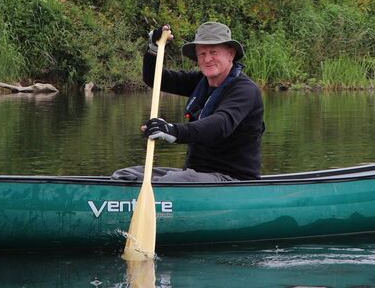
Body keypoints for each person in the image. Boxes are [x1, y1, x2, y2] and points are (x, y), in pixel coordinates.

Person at [112, 22, 264, 182]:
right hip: (194, 174)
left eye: (214, 52)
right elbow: (154, 78)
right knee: (124, 175)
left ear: (231, 54)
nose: (207, 59)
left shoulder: (245, 90)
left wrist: (173, 131)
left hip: (232, 179)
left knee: (172, 181)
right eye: (202, 54)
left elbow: (221, 124)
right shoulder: (200, 81)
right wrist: (153, 50)